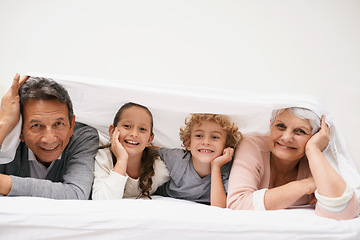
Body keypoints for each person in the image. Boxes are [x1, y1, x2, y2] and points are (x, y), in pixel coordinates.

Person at [227, 107, 359, 220]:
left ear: (314, 136)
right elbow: (237, 205)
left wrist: (313, 149)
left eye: (300, 131)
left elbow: (344, 212)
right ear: (270, 124)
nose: (286, 137)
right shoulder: (253, 146)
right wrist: (308, 184)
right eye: (280, 126)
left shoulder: (314, 159)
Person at [0, 74, 99, 199]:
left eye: (58, 124)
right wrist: (3, 125)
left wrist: (4, 183)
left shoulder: (83, 137)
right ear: (20, 131)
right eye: (36, 125)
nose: (49, 139)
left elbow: (76, 194)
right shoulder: (9, 138)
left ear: (71, 125)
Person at [155, 113, 242, 207]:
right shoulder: (176, 159)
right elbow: (147, 151)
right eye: (199, 136)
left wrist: (216, 167)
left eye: (215, 137)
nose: (206, 142)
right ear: (188, 143)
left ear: (226, 145)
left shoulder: (229, 170)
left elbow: (219, 207)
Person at [92, 102, 170, 200]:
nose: (134, 134)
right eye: (127, 126)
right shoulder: (103, 158)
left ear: (149, 140)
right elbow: (103, 201)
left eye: (142, 129)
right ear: (112, 132)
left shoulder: (158, 168)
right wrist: (121, 160)